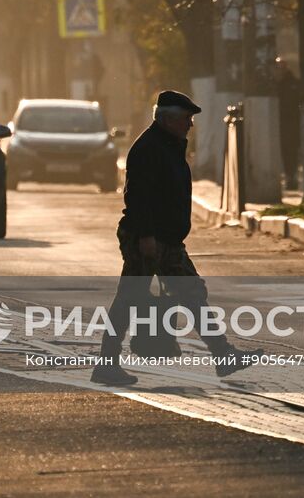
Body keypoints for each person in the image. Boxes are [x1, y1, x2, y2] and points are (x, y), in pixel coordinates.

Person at [91, 90, 262, 386]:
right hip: (148, 239)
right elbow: (138, 196)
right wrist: (146, 236)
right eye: (186, 119)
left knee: (192, 293)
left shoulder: (169, 145)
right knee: (129, 299)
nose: (190, 125)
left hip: (166, 240)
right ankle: (106, 364)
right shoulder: (149, 148)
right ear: (168, 119)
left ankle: (223, 355)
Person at [275, 58, 301, 190]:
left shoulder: (292, 83)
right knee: (286, 151)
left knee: (290, 151)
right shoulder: (275, 84)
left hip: (290, 122)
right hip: (282, 122)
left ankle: (291, 177)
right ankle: (288, 176)